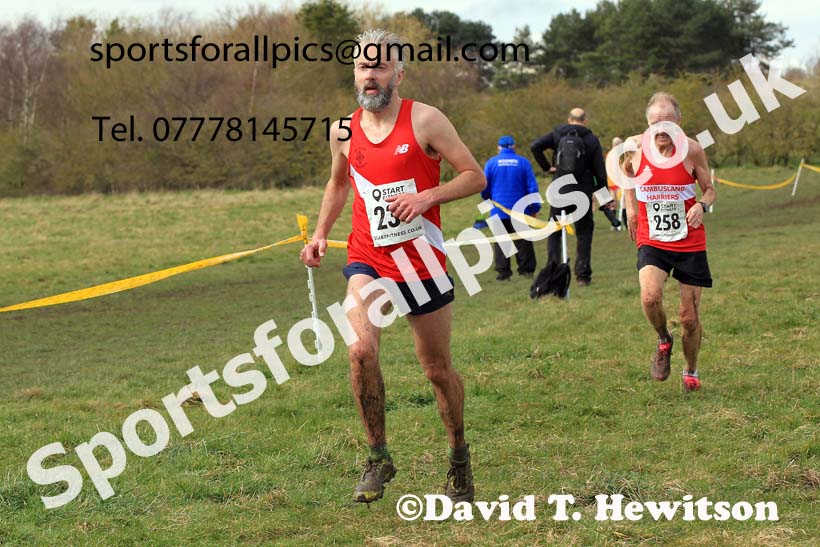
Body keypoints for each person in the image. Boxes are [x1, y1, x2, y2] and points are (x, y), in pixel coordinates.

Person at [300, 28, 486, 503]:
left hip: (421, 263)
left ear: (398, 74)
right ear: (354, 73)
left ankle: (459, 457)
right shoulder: (342, 130)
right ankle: (378, 457)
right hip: (367, 257)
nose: (371, 76)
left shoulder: (426, 120)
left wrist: (427, 197)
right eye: (363, 67)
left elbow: (474, 176)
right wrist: (320, 233)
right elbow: (338, 184)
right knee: (360, 350)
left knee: (437, 369)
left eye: (380, 67)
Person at [620, 92, 716, 392]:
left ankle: (691, 369)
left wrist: (701, 205)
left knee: (689, 318)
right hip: (653, 237)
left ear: (680, 122)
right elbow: (626, 177)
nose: (661, 131)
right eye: (655, 125)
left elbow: (710, 189)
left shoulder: (693, 150)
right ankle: (664, 339)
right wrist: (631, 209)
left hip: (689, 240)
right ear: (647, 124)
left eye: (668, 124)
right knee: (650, 298)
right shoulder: (634, 147)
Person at [530, 108, 615, 286]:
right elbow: (600, 172)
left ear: (569, 119)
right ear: (585, 120)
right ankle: (582, 275)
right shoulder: (591, 139)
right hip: (582, 191)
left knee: (555, 231)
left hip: (559, 189)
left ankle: (553, 271)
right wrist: (605, 198)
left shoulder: (557, 134)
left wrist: (547, 167)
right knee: (584, 233)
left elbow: (535, 146)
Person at [481, 135, 540, 280]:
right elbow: (532, 187)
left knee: (502, 241)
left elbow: (484, 186)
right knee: (523, 241)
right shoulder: (523, 163)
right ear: (514, 146)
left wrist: (488, 199)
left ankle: (503, 272)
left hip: (498, 209)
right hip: (521, 210)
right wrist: (535, 207)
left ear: (499, 147)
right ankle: (526, 271)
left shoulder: (491, 163)